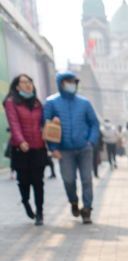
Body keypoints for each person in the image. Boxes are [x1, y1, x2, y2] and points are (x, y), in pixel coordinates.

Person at [43, 70, 99, 224]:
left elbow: (94, 123)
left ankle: (87, 209)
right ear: (61, 84)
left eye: (74, 82)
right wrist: (53, 148)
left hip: (84, 148)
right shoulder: (51, 103)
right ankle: (73, 201)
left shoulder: (84, 103)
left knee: (87, 179)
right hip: (64, 150)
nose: (72, 85)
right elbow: (46, 127)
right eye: (68, 81)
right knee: (68, 180)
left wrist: (91, 141)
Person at [3, 74, 47, 225]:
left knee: (38, 182)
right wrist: (21, 141)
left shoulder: (37, 103)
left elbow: (43, 122)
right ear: (17, 86)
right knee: (24, 181)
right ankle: (26, 203)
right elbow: (13, 123)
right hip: (21, 149)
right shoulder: (11, 102)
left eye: (30, 82)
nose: (28, 85)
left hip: (38, 148)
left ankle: (40, 213)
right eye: (25, 82)